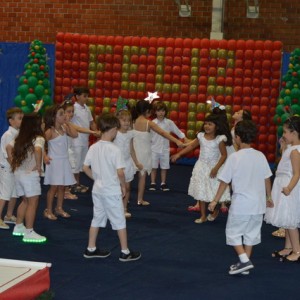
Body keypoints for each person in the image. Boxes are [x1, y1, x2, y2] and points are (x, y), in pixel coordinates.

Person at [208, 120, 273, 275]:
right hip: (258, 205)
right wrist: (269, 196)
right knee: (251, 234)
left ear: (237, 138)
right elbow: (267, 178)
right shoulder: (260, 156)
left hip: (241, 205)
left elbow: (224, 182)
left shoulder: (234, 158)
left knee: (233, 233)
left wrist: (215, 200)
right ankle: (245, 264)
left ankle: (244, 261)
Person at [82, 113, 141, 262]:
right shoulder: (115, 149)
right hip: (111, 190)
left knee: (97, 218)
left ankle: (91, 248)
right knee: (120, 220)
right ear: (114, 129)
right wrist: (123, 186)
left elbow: (85, 168)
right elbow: (120, 172)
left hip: (98, 190)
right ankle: (125, 251)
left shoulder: (94, 147)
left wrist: (97, 178)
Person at [171, 114, 230, 223]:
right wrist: (179, 154)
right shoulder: (201, 136)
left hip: (213, 168)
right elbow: (191, 146)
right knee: (201, 190)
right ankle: (203, 216)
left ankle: (214, 211)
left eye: (210, 124)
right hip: (201, 167)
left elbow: (224, 155)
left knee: (213, 191)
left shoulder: (219, 139)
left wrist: (216, 168)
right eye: (206, 124)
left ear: (216, 127)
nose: (207, 126)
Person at [131, 99, 184, 206]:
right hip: (144, 153)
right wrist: (177, 141)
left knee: (127, 177)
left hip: (132, 152)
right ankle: (139, 199)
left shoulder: (131, 121)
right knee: (142, 176)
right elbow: (163, 133)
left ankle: (124, 198)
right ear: (147, 111)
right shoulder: (149, 123)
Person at [265, 116, 300, 262]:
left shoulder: (295, 151)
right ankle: (288, 247)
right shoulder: (290, 149)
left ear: (294, 132)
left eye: (285, 132)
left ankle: (297, 251)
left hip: (288, 186)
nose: (283, 135)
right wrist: (283, 147)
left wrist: (289, 188)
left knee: (290, 220)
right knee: (286, 219)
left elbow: (297, 173)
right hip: (283, 184)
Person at [7, 113, 47, 242]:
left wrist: (14, 163)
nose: (43, 124)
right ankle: (29, 232)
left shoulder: (20, 137)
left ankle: (19, 226)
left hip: (19, 173)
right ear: (35, 125)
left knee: (24, 201)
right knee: (32, 203)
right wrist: (38, 166)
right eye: (41, 122)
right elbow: (37, 150)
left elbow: (8, 147)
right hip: (30, 175)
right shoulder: (38, 137)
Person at [43, 105, 78, 220]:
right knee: (53, 187)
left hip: (64, 160)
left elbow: (75, 134)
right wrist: (45, 156)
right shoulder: (50, 131)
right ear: (54, 117)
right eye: (61, 114)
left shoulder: (64, 128)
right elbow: (39, 144)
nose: (65, 115)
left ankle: (59, 208)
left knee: (62, 187)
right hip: (54, 162)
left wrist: (68, 123)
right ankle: (48, 210)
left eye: (64, 113)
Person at [62, 99, 100, 200]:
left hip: (67, 149)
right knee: (66, 171)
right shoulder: (63, 123)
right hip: (63, 151)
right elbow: (76, 131)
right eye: (68, 112)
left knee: (68, 170)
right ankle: (65, 191)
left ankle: (65, 190)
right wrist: (92, 132)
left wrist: (92, 131)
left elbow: (77, 131)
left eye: (72, 112)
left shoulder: (68, 123)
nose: (71, 114)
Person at [149, 101, 190, 192]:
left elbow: (177, 131)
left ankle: (163, 183)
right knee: (153, 166)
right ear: (155, 112)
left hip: (165, 148)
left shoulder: (169, 122)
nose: (161, 113)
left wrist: (184, 138)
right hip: (154, 148)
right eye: (159, 111)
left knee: (164, 166)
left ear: (165, 112)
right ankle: (153, 182)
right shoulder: (152, 123)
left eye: (163, 111)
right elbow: (148, 136)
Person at [113, 109, 142, 218]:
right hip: (116, 164)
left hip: (127, 163)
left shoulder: (130, 134)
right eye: (123, 120)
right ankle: (115, 207)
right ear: (117, 121)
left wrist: (136, 162)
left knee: (127, 187)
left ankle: (124, 208)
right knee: (117, 187)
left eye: (128, 120)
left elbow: (131, 149)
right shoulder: (115, 133)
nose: (126, 123)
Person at [0, 107, 23, 230]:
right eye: (19, 118)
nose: (22, 121)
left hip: (15, 168)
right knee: (5, 193)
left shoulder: (18, 133)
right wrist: (16, 167)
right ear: (11, 121)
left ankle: (8, 215)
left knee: (14, 193)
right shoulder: (8, 135)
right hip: (7, 168)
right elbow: (8, 155)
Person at [71, 86, 97, 193]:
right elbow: (71, 125)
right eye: (84, 96)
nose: (86, 98)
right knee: (75, 163)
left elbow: (91, 122)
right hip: (76, 140)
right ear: (77, 97)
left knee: (81, 164)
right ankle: (73, 184)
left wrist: (97, 133)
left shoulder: (87, 108)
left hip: (84, 140)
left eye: (87, 96)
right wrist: (92, 132)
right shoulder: (73, 109)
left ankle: (77, 183)